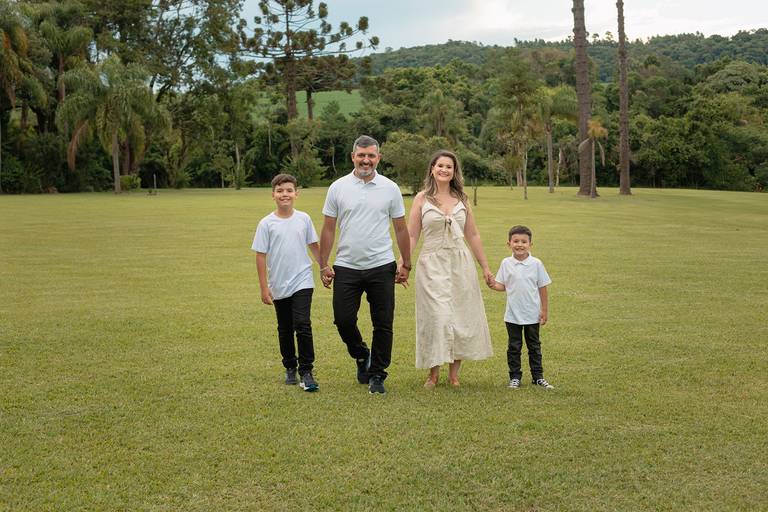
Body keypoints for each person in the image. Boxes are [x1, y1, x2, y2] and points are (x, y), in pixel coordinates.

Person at [319, 135, 411, 395]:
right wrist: (323, 264)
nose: (366, 160)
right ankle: (361, 354)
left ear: (378, 158)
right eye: (361, 155)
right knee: (343, 319)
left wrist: (406, 264)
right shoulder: (337, 187)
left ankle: (378, 374)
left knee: (383, 323)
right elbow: (328, 229)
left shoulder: (390, 188)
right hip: (346, 266)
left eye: (371, 156)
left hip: (382, 265)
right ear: (353, 157)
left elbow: (401, 228)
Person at [404, 150, 494, 389]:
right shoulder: (421, 199)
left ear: (454, 172)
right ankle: (433, 373)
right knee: (436, 316)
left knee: (461, 316)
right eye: (440, 165)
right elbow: (412, 234)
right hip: (431, 264)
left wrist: (485, 266)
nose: (444, 170)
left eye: (449, 167)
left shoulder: (462, 199)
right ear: (432, 168)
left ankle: (454, 374)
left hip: (460, 263)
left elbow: (472, 234)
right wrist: (404, 263)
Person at [253, 174, 322, 392]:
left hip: (302, 279)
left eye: (289, 190)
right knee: (285, 328)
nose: (285, 194)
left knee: (302, 324)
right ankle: (290, 366)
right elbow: (261, 256)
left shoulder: (304, 218)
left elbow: (313, 245)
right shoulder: (266, 223)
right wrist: (264, 288)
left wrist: (324, 267)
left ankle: (307, 371)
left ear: (296, 194)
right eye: (280, 191)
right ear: (273, 195)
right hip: (279, 283)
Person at [488, 225, 554, 390]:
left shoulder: (536, 264)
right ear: (508, 243)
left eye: (524, 241)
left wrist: (544, 310)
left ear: (530, 244)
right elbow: (502, 286)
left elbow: (543, 288)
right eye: (516, 241)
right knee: (514, 347)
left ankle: (538, 377)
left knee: (534, 346)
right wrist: (491, 284)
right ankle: (515, 377)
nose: (519, 244)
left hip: (532, 314)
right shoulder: (506, 263)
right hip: (512, 315)